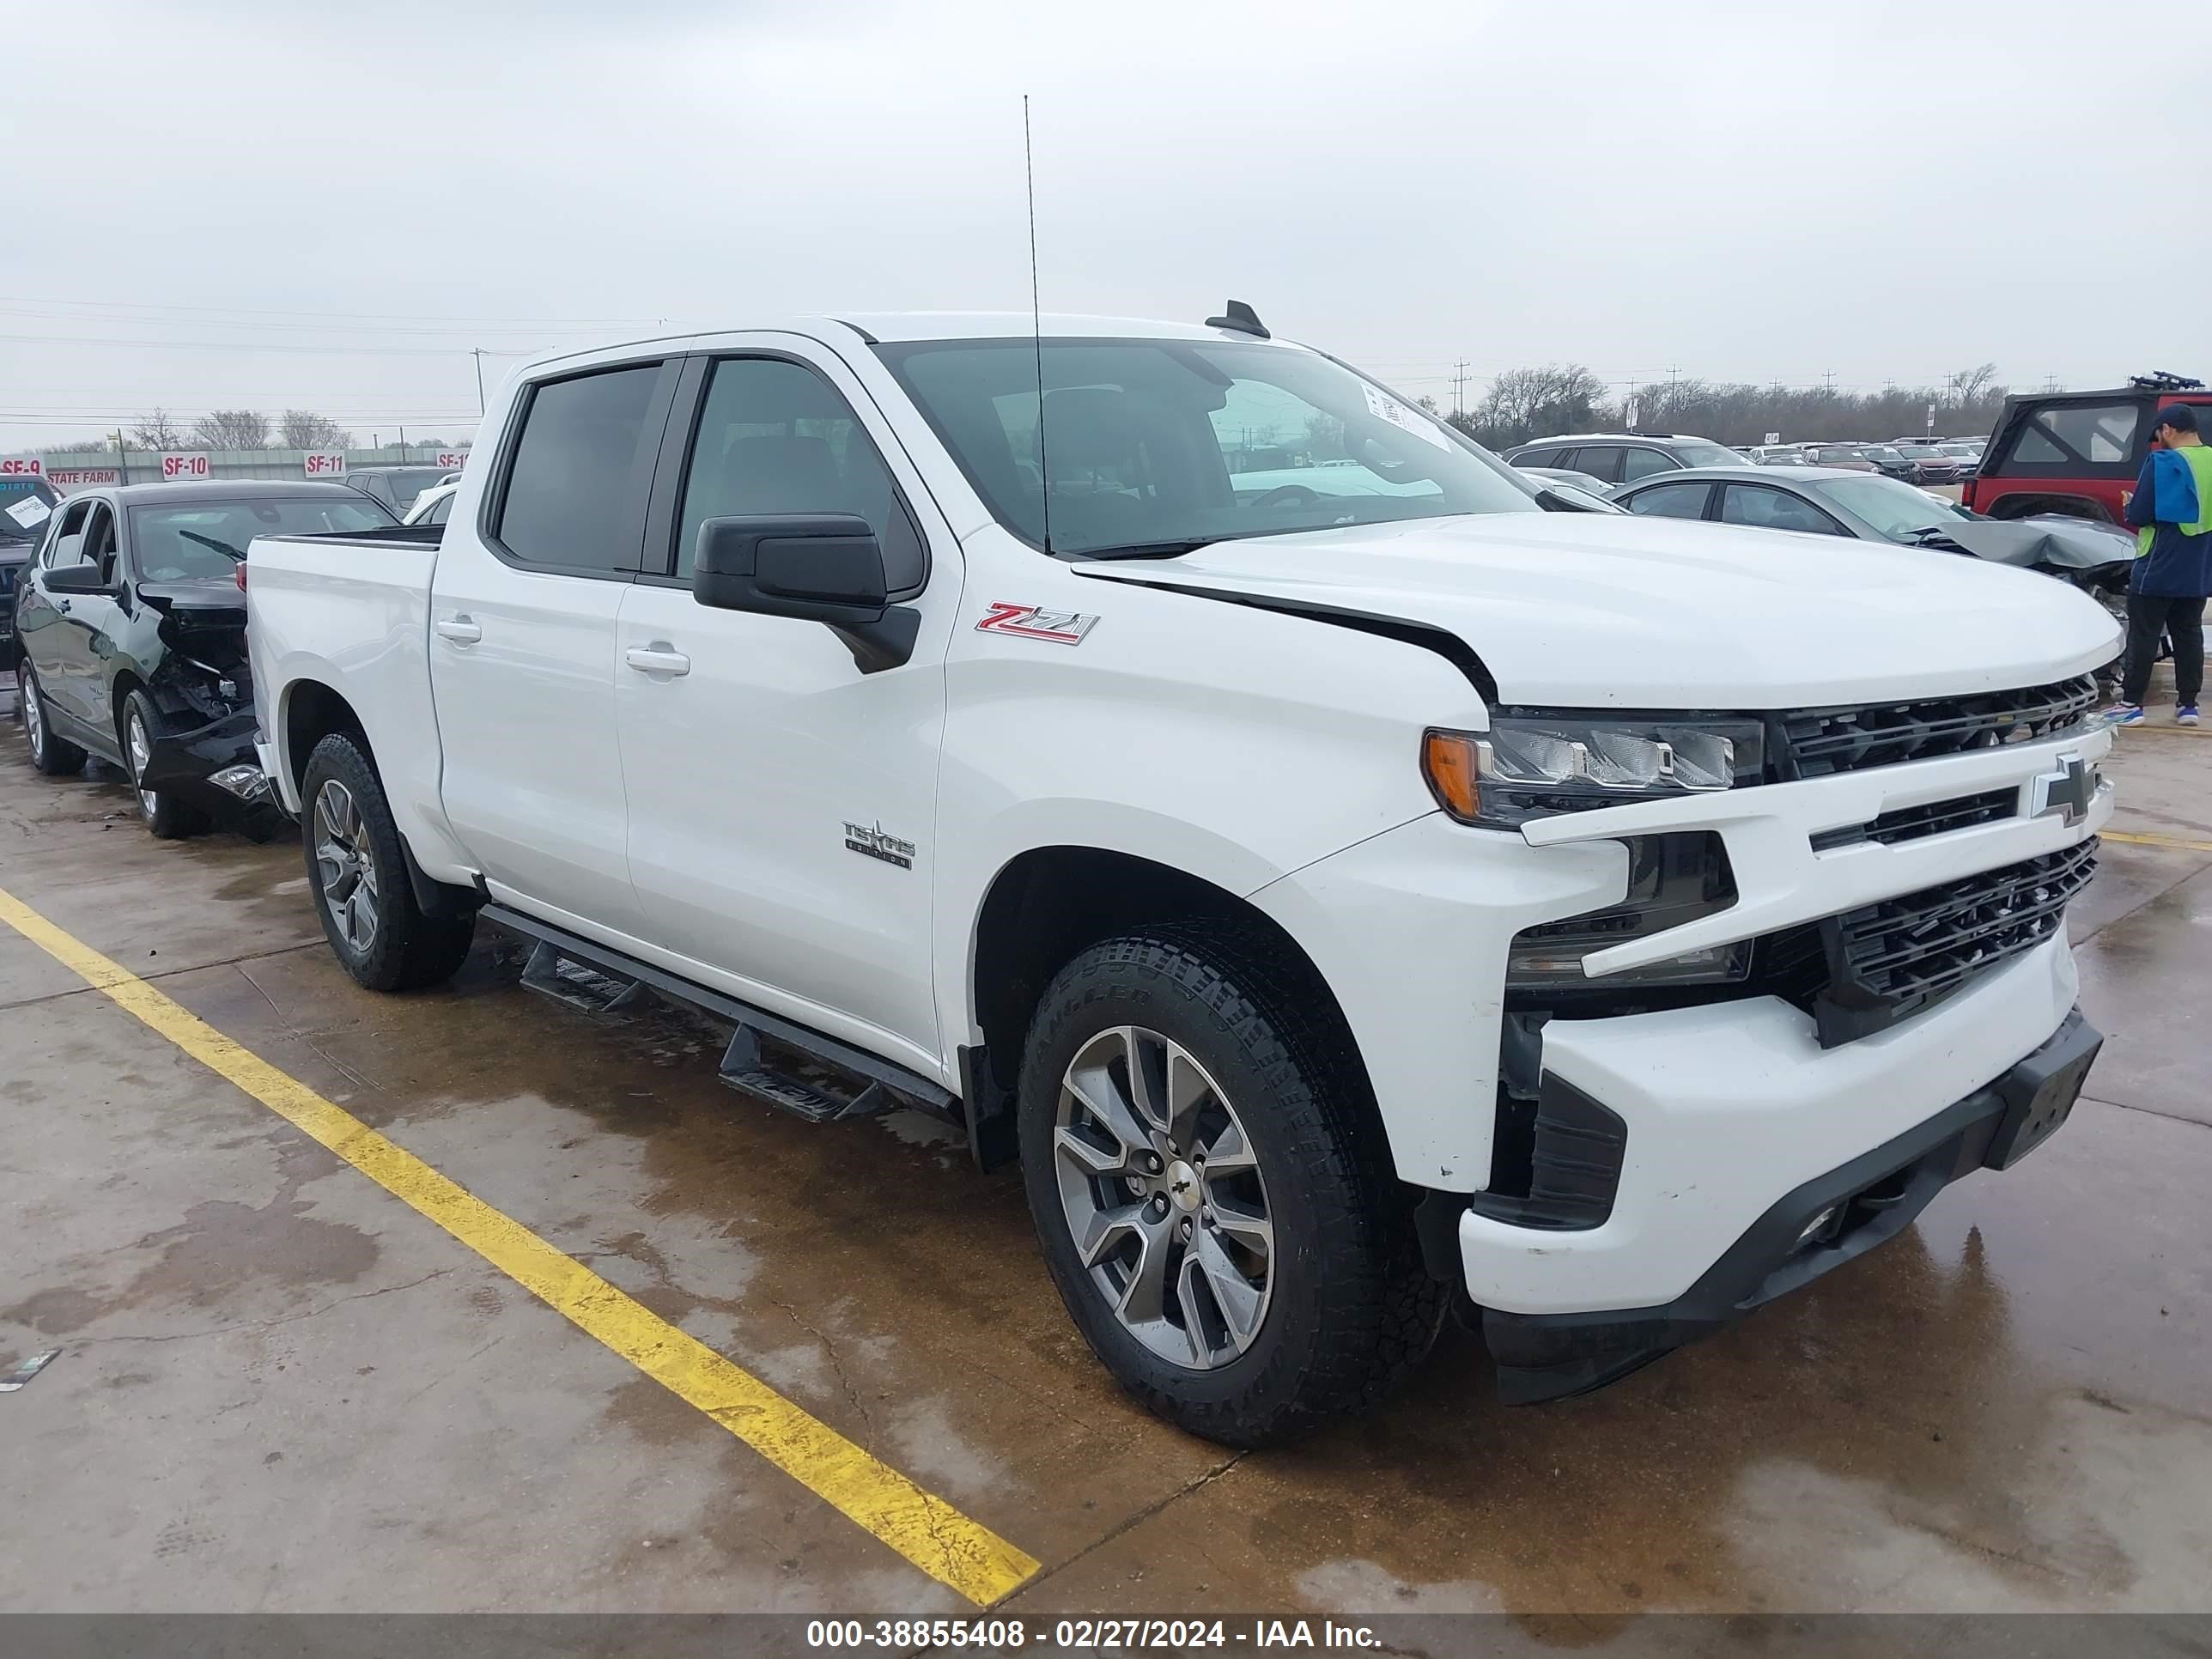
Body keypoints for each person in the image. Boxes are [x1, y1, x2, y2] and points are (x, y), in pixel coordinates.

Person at [2118, 404, 2212, 726]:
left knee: (2144, 634)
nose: (2160, 442)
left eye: (2159, 435)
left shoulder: (2162, 462)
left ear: (2168, 429)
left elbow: (2141, 515)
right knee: (2189, 634)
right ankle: (2188, 705)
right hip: (2197, 568)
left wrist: (2129, 506)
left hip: (2157, 564)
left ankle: (2131, 704)